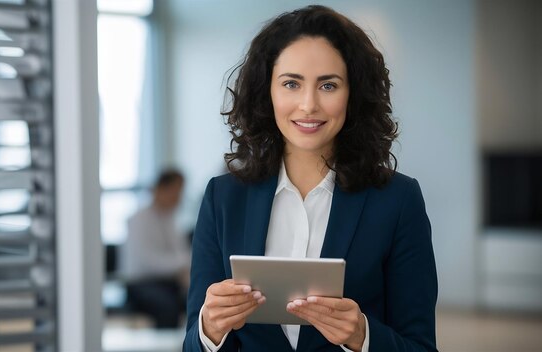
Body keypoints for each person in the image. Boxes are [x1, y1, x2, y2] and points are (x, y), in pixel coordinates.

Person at [183, 5, 437, 352]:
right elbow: (192, 346)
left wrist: (362, 336)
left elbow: (420, 346)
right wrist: (210, 329)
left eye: (328, 85)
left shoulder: (397, 200)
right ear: (267, 91)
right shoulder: (223, 198)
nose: (308, 105)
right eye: (291, 83)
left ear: (353, 94)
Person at [124, 169, 190, 328]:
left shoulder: (170, 220)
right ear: (160, 189)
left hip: (167, 282)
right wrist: (181, 266)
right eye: (174, 192)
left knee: (198, 297)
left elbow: (181, 253)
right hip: (140, 284)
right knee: (167, 307)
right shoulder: (138, 219)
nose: (178, 198)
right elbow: (147, 261)